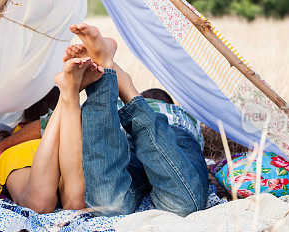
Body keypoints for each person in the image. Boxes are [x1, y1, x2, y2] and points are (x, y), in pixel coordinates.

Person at [67, 22, 209, 217]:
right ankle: (121, 84)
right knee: (182, 205)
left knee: (107, 205)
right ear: (168, 103)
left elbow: (102, 129)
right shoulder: (182, 113)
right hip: (170, 136)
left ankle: (111, 77)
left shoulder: (121, 107)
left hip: (134, 138)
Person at [0, 57, 103, 214]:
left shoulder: (8, 134)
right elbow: (2, 144)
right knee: (69, 203)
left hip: (45, 156)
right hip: (52, 154)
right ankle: (69, 93)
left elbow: (0, 145)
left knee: (45, 204)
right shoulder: (7, 130)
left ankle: (69, 93)